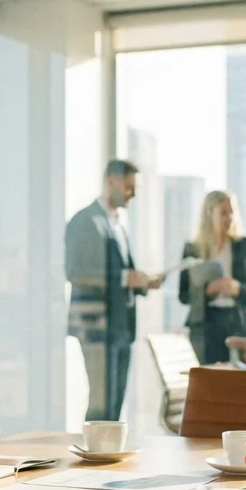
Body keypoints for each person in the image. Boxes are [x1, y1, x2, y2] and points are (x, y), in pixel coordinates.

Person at [65, 160, 162, 421]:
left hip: (121, 326)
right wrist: (123, 278)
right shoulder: (84, 221)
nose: (134, 193)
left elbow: (120, 272)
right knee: (101, 401)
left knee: (115, 400)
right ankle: (94, 456)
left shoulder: (118, 223)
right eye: (129, 187)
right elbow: (75, 272)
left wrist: (142, 282)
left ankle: (108, 454)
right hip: (96, 326)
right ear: (111, 182)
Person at [178, 190, 246, 364]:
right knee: (208, 381)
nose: (230, 217)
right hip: (205, 326)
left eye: (232, 211)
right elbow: (183, 295)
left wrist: (237, 288)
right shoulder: (193, 250)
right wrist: (208, 292)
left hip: (237, 324)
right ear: (210, 214)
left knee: (238, 382)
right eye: (224, 212)